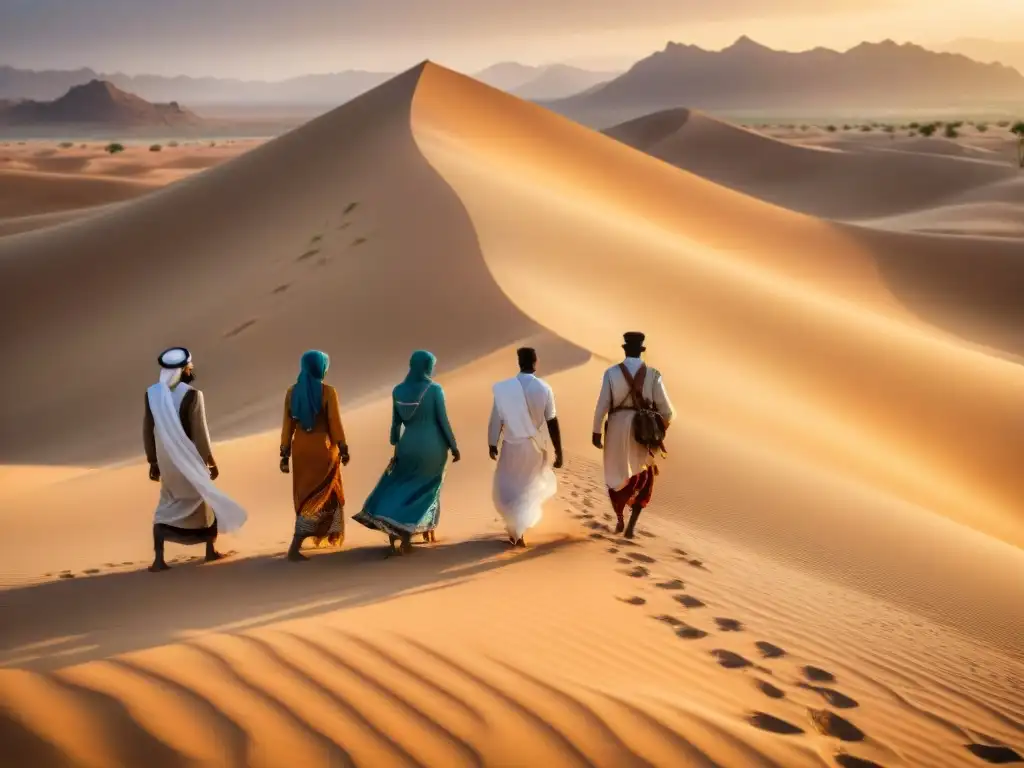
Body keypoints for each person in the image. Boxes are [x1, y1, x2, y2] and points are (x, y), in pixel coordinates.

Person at [144, 346, 247, 571]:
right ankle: (210, 550)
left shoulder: (152, 394)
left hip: (166, 459)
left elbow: (148, 429)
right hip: (187, 457)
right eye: (189, 367)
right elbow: (200, 433)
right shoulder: (192, 395)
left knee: (168, 501)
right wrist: (210, 461)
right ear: (183, 370)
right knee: (204, 497)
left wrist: (153, 461)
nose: (191, 370)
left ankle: (159, 559)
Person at [354, 350, 459, 554]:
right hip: (433, 446)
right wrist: (453, 446)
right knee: (427, 488)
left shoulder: (398, 390)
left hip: (407, 445)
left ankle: (398, 530)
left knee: (402, 486)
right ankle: (408, 536)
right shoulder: (435, 389)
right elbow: (443, 421)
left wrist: (396, 444)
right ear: (426, 366)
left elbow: (395, 427)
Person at [592, 332, 675, 539]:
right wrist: (658, 431)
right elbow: (668, 412)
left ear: (625, 349)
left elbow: (602, 405)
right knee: (643, 475)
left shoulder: (611, 373)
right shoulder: (654, 375)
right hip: (642, 430)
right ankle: (631, 525)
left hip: (616, 429)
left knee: (616, 475)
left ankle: (619, 517)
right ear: (641, 351)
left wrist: (595, 431)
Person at [488, 347, 563, 547]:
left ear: (519, 362)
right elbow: (552, 421)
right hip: (535, 446)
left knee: (510, 486)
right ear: (535, 362)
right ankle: (518, 528)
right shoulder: (544, 388)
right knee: (527, 487)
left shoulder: (505, 388)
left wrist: (492, 442)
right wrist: (559, 450)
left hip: (511, 445)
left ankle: (516, 529)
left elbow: (497, 417)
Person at [280, 350, 350, 561]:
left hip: (300, 449)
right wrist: (344, 447)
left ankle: (323, 533)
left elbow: (287, 426)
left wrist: (284, 454)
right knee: (323, 494)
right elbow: (334, 423)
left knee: (308, 494)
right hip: (323, 448)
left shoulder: (292, 392)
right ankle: (296, 543)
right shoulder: (328, 392)